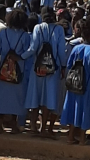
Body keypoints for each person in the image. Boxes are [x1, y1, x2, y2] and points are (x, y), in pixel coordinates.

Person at [21, 7, 66, 137]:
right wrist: (63, 66)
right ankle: (43, 128)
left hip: (37, 68)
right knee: (48, 98)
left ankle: (33, 126)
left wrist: (22, 56)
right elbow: (61, 51)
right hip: (53, 69)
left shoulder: (37, 28)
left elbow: (33, 48)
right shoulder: (59, 30)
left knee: (35, 96)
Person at [61, 24, 90, 146]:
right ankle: (82, 138)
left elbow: (69, 65)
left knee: (73, 108)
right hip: (87, 86)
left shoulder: (75, 49)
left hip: (74, 83)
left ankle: (70, 136)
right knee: (84, 110)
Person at [0, 9, 30, 134]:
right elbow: (27, 53)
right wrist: (19, 57)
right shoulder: (25, 36)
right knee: (17, 98)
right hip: (18, 71)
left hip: (3, 70)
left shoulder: (3, 33)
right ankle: (14, 125)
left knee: (0, 97)